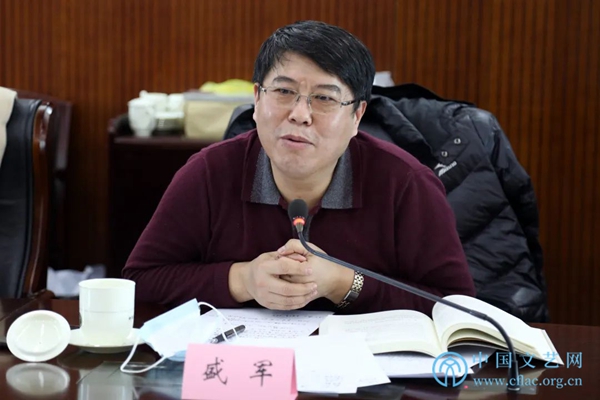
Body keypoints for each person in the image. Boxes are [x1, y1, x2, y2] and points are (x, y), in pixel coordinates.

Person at [122, 20, 476, 315]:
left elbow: (457, 306)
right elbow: (141, 280)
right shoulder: (209, 173)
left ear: (357, 116)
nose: (300, 114)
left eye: (324, 98)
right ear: (257, 99)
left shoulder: (406, 183)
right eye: (283, 92)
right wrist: (242, 280)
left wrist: (342, 283)